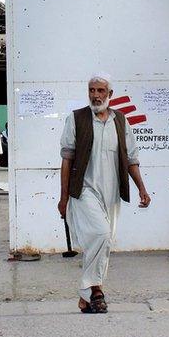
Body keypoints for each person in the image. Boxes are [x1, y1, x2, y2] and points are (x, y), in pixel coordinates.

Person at [57, 73, 151, 314]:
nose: (95, 95)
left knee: (103, 241)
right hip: (84, 190)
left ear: (110, 94)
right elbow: (67, 160)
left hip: (111, 191)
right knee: (101, 234)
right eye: (92, 90)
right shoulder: (76, 119)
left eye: (100, 91)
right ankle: (93, 289)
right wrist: (63, 197)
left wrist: (141, 188)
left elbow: (131, 159)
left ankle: (87, 297)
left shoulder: (120, 121)